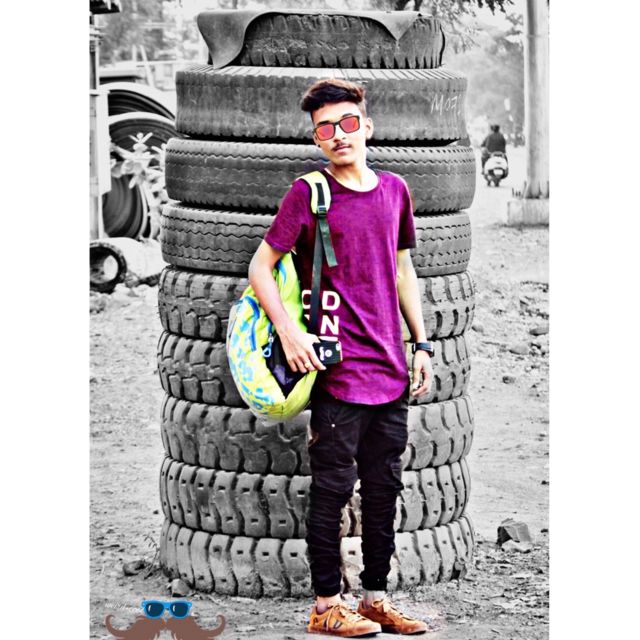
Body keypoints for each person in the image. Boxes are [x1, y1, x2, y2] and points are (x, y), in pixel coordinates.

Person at [248, 78, 434, 637]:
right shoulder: (308, 194)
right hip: (336, 371)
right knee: (332, 491)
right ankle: (327, 604)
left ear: (367, 127)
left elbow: (403, 271)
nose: (338, 135)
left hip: (391, 369)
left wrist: (422, 344)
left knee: (383, 490)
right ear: (316, 138)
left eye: (348, 123)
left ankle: (374, 599)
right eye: (324, 128)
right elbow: (260, 267)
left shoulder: (395, 190)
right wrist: (290, 334)